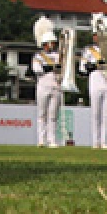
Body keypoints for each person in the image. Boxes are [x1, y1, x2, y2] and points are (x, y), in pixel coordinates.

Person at [31, 17, 65, 149]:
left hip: (56, 86)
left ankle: (52, 140)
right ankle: (41, 140)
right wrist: (51, 67)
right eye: (50, 43)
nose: (52, 45)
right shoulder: (38, 56)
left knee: (53, 116)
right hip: (43, 86)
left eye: (53, 43)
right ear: (45, 43)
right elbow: (37, 69)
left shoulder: (58, 56)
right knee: (42, 114)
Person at [81, 22, 107, 148]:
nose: (97, 37)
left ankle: (105, 141)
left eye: (99, 35)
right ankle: (96, 142)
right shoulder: (88, 50)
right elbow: (83, 68)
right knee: (96, 113)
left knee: (106, 113)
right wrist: (95, 65)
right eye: (95, 35)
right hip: (95, 79)